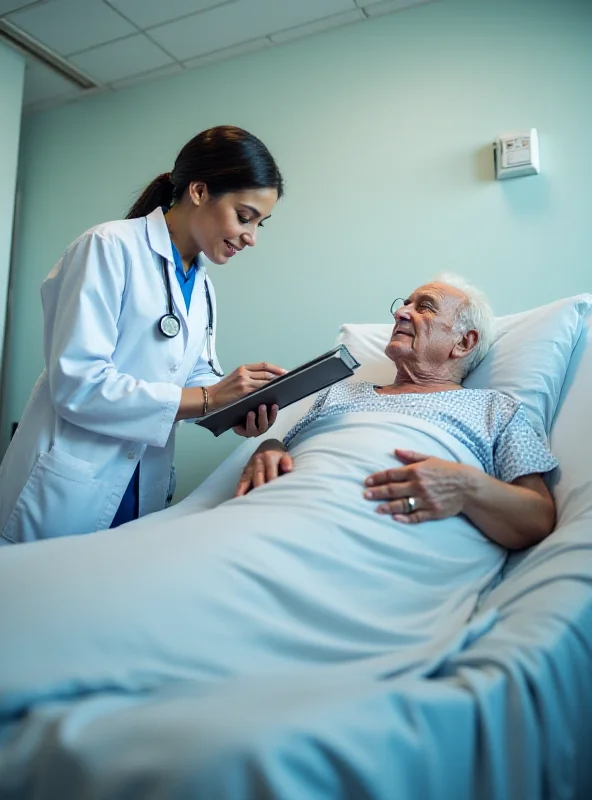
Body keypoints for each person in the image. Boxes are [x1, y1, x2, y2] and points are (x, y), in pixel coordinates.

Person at [0, 276, 559, 718]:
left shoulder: (495, 411)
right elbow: (279, 442)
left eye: (425, 306)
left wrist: (464, 486)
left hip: (374, 537)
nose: (402, 311)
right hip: (282, 509)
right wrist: (266, 446)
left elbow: (536, 515)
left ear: (465, 342)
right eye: (403, 302)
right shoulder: (342, 393)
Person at [0, 125, 286, 546]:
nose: (252, 237)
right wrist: (209, 399)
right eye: (244, 217)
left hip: (139, 485)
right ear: (199, 191)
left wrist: (234, 406)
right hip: (69, 484)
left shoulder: (201, 283)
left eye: (261, 223)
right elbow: (79, 384)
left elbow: (194, 374)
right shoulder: (109, 247)